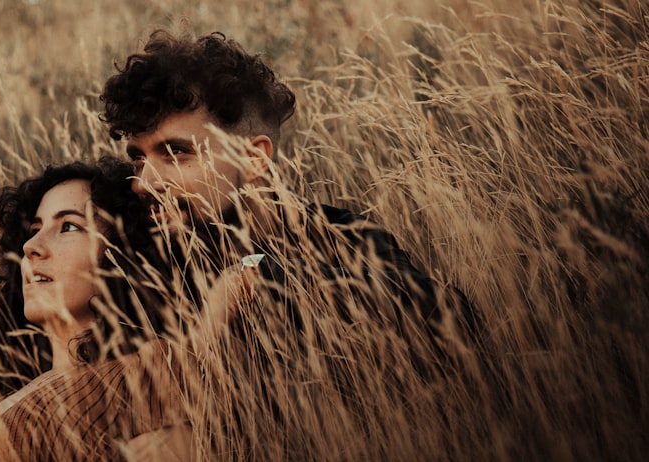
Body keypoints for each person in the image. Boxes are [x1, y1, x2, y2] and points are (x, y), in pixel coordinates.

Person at [99, 30, 484, 457]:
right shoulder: (147, 262)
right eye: (139, 157)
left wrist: (256, 277)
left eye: (175, 154)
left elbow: (452, 318)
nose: (145, 182)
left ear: (254, 157)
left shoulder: (336, 235)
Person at [0, 158, 191, 461]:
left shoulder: (156, 372)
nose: (32, 245)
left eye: (69, 226)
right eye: (35, 227)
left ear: (123, 257)